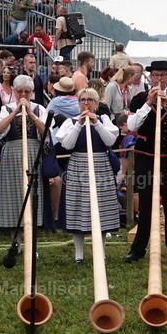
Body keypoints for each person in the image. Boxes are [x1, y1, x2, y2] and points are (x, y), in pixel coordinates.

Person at [124, 60, 167, 266]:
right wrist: (148, 104)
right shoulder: (138, 99)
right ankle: (138, 249)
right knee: (145, 203)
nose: (160, 80)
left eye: (163, 76)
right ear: (150, 77)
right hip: (146, 157)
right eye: (156, 76)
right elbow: (131, 125)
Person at [56, 88, 120, 264]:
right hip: (78, 166)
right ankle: (79, 255)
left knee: (102, 208)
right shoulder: (70, 122)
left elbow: (110, 141)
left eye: (90, 100)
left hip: (101, 165)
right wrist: (79, 123)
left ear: (96, 103)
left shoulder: (104, 119)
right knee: (78, 208)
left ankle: (102, 253)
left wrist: (96, 123)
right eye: (82, 100)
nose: (86, 103)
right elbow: (67, 145)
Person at [0, 75, 50, 232]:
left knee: (33, 192)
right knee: (12, 194)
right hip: (12, 153)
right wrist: (16, 111)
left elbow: (46, 132)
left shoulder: (39, 109)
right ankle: (14, 237)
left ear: (32, 92)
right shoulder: (6, 109)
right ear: (14, 91)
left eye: (27, 91)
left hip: (33, 152)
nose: (23, 95)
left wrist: (31, 114)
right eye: (20, 91)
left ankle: (31, 234)